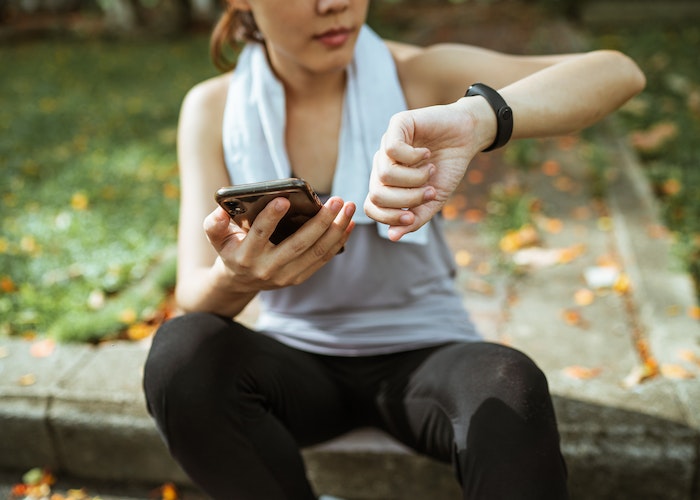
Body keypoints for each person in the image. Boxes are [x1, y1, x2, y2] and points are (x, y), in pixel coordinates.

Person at [143, 1, 645, 499]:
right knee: (180, 355)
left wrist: (478, 118)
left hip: (427, 355)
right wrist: (241, 278)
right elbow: (194, 295)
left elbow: (617, 73)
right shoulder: (213, 109)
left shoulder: (419, 75)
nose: (334, 3)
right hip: (297, 363)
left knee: (510, 384)